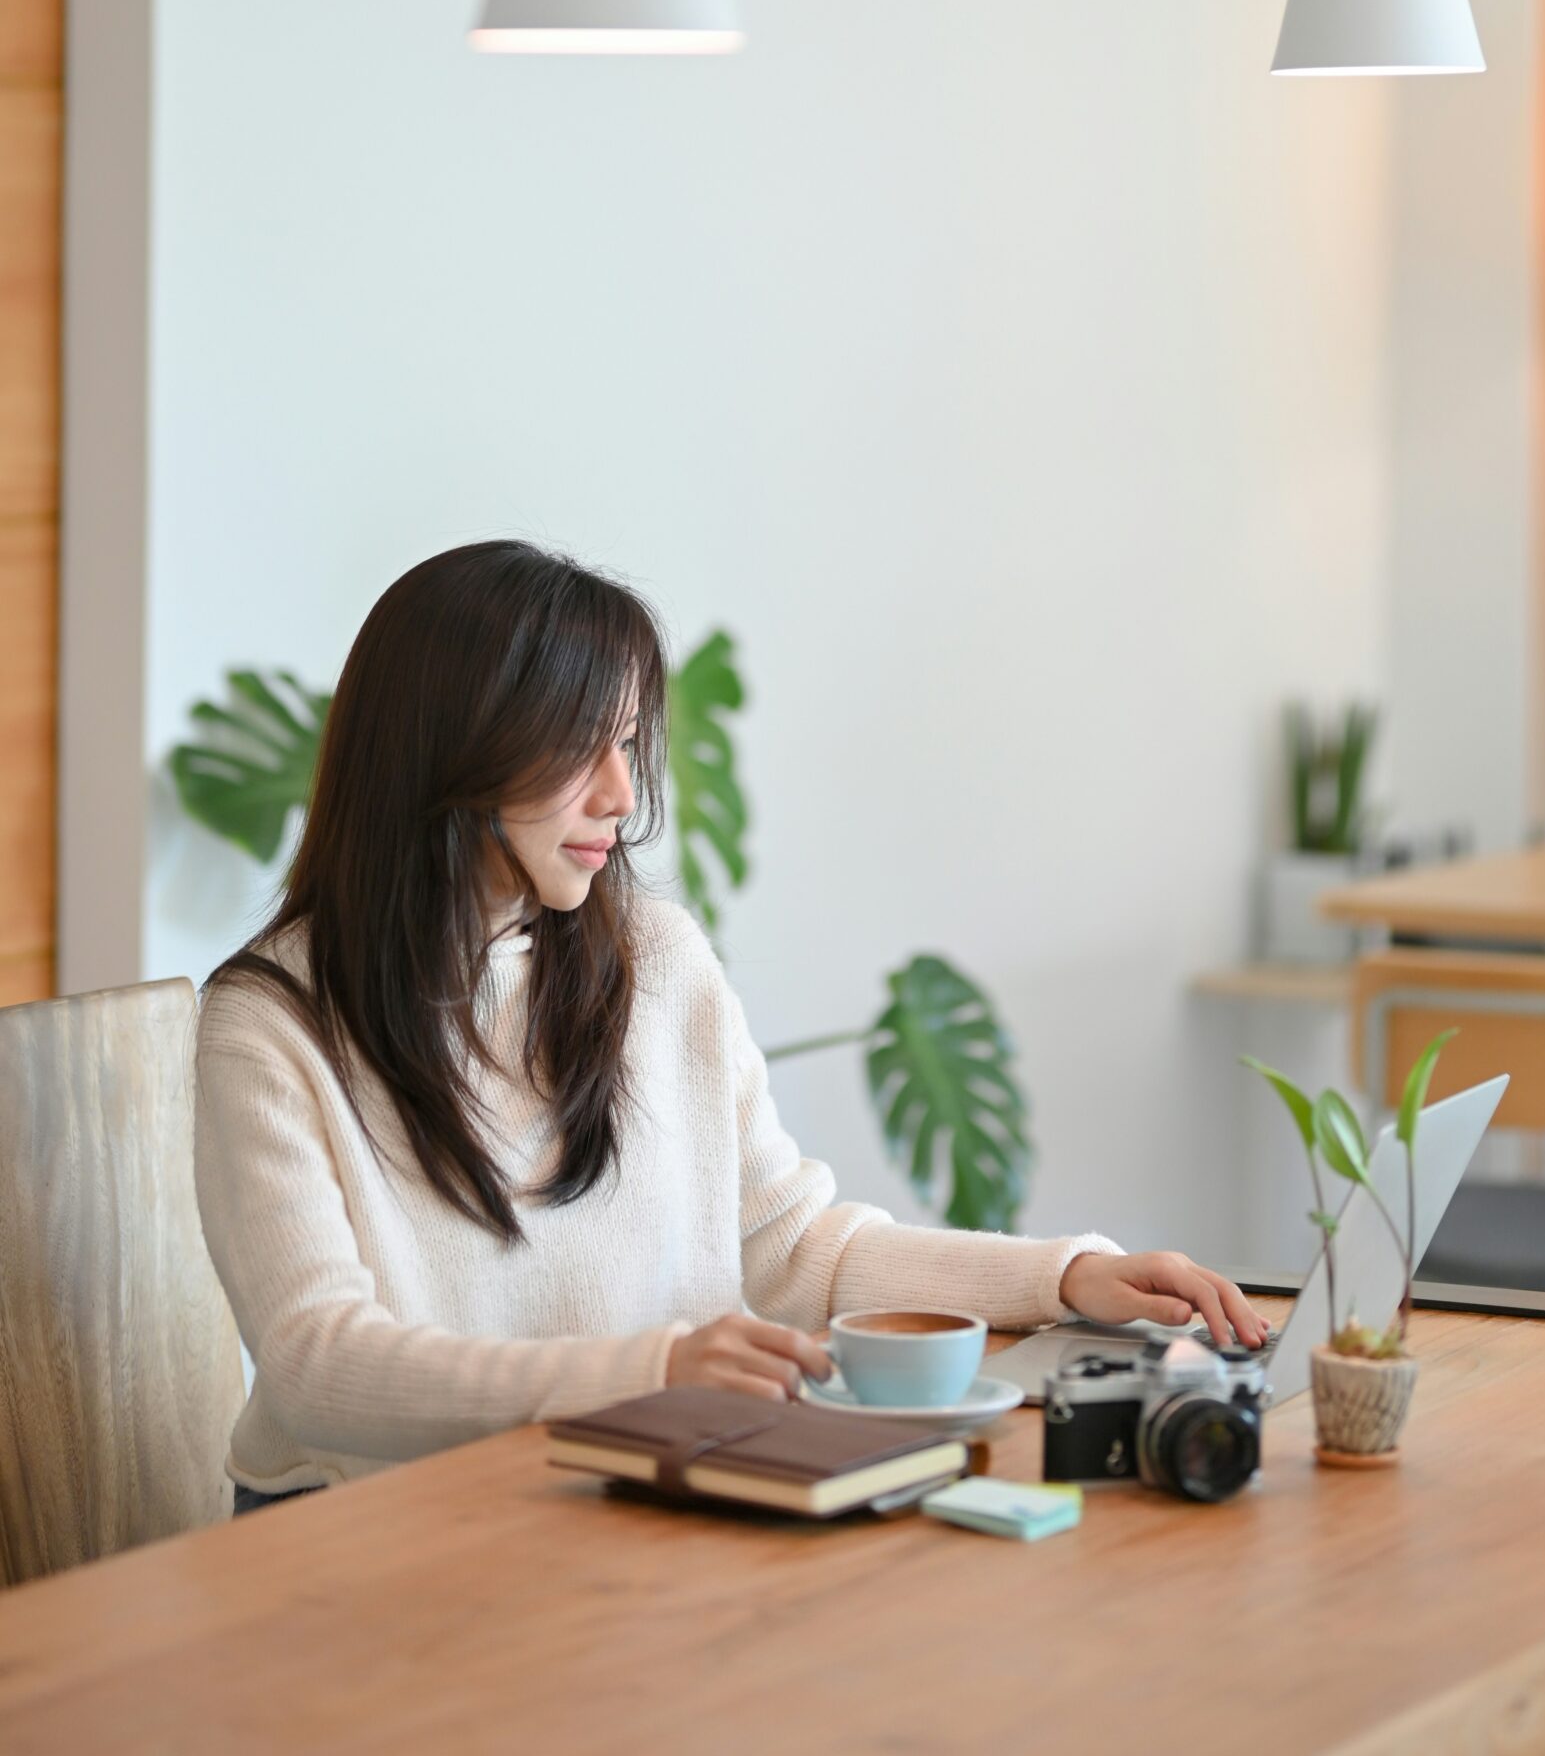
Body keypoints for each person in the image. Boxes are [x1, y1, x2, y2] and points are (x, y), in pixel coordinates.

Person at [195, 540, 1266, 1511]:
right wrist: (651, 1371)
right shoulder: (270, 1026)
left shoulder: (655, 964)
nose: (623, 791)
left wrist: (1062, 1277)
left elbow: (790, 1245)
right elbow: (316, 1362)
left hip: (617, 1490)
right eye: (582, 744)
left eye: (625, 741)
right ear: (455, 754)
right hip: (372, 1533)